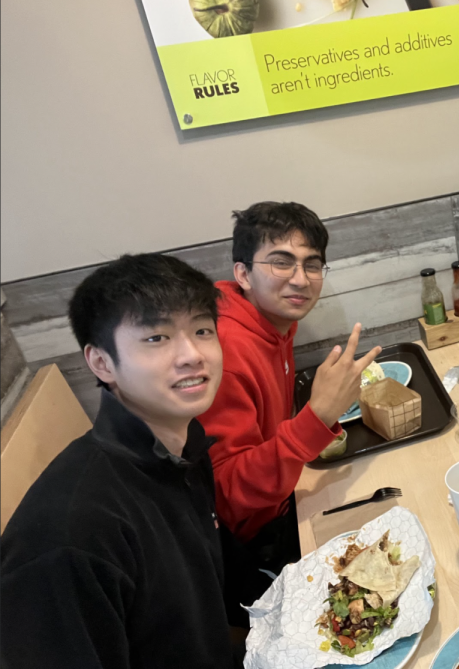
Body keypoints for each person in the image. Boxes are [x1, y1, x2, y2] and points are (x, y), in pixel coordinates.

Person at [0, 254, 233, 667]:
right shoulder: (72, 533)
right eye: (156, 337)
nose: (192, 354)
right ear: (101, 362)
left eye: (202, 329)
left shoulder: (185, 450)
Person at [198, 202, 380, 575]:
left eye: (312, 264)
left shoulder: (272, 322)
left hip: (286, 497)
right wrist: (317, 418)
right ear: (243, 273)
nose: (300, 279)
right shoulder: (224, 354)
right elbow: (228, 498)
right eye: (281, 262)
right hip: (251, 546)